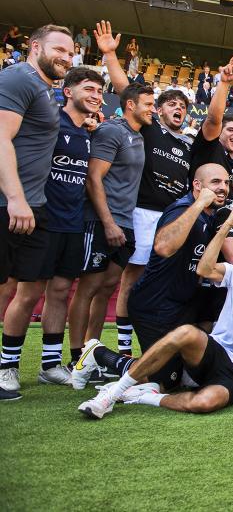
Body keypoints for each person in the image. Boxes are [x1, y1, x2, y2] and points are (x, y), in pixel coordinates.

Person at [74, 209, 233, 419]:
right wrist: (227, 225)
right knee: (185, 333)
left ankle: (140, 396)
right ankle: (112, 394)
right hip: (215, 351)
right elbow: (203, 270)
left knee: (203, 402)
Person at [0, 68, 102, 393]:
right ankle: (7, 367)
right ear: (67, 92)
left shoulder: (88, 134)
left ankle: (50, 365)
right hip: (42, 220)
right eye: (89, 88)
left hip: (73, 224)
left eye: (100, 91)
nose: (97, 96)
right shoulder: (48, 125)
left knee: (59, 292)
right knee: (28, 293)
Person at [96, 20, 193, 357]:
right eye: (170, 104)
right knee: (132, 278)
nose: (177, 109)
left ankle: (154, 344)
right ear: (157, 110)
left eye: (182, 106)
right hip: (142, 213)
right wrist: (110, 56)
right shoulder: (150, 130)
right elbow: (127, 91)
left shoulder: (188, 145)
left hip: (171, 218)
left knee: (162, 280)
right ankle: (123, 348)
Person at [0, 24, 73, 401]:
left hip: (35, 206)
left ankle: (8, 367)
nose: (66, 57)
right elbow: (1, 137)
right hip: (9, 203)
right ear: (34, 47)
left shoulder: (46, 90)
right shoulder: (18, 77)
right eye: (59, 49)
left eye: (71, 52)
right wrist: (14, 197)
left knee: (30, 292)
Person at [66, 82, 152, 369]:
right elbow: (93, 178)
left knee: (106, 289)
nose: (152, 109)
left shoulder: (138, 136)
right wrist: (108, 222)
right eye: (148, 104)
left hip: (126, 224)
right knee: (88, 288)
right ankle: (76, 356)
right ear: (131, 105)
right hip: (103, 221)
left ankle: (92, 353)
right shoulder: (112, 130)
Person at [189, 54, 233, 178]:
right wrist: (225, 82)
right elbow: (214, 120)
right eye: (230, 129)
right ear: (218, 132)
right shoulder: (210, 148)